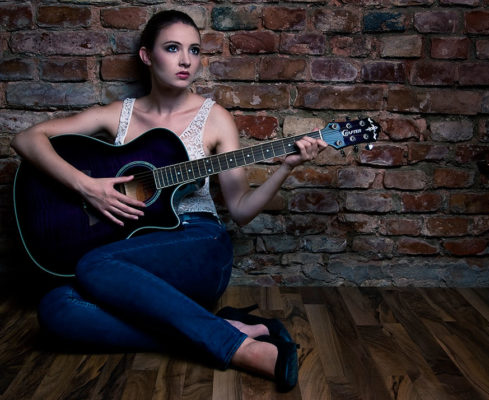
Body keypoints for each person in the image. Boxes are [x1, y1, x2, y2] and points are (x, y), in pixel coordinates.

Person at [11, 10, 327, 392]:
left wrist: (286, 168)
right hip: (130, 256)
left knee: (92, 264)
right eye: (173, 48)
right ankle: (220, 330)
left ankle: (242, 349)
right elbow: (27, 140)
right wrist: (87, 187)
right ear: (147, 56)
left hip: (199, 246)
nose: (185, 60)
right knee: (56, 308)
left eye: (194, 50)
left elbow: (240, 210)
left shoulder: (215, 119)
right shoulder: (118, 115)